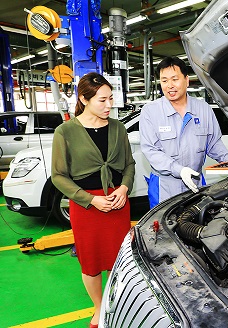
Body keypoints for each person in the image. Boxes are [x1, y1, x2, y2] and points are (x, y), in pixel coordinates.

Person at [51, 72, 135, 328]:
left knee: (117, 260)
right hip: (88, 207)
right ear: (84, 99)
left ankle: (115, 304)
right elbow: (58, 176)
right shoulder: (65, 131)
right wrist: (90, 200)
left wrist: (124, 188)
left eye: (111, 99)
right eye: (102, 100)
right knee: (91, 261)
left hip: (118, 204)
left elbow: (129, 164)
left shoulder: (118, 128)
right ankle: (99, 308)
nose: (109, 105)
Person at [140, 56, 228, 207]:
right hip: (164, 186)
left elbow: (213, 144)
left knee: (195, 225)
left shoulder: (203, 109)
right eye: (164, 81)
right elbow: (151, 151)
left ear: (186, 80)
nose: (169, 85)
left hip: (195, 182)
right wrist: (179, 170)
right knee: (162, 228)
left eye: (174, 79)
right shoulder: (150, 111)